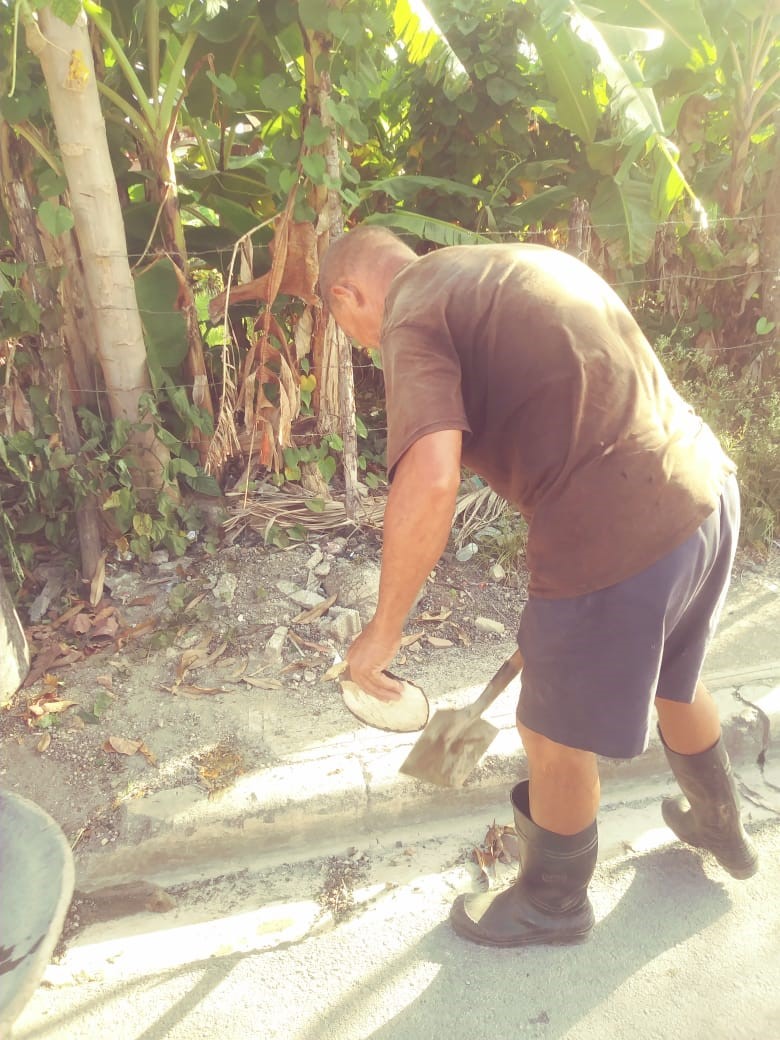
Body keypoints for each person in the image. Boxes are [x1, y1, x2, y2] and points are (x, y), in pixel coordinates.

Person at [318, 225, 758, 948]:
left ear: (347, 295)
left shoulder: (411, 314)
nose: (365, 344)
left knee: (548, 728)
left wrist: (384, 628)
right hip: (703, 488)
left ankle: (554, 904)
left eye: (348, 328)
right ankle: (720, 823)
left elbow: (431, 478)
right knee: (674, 676)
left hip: (621, 526)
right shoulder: (498, 267)